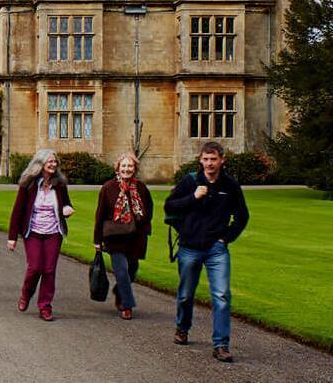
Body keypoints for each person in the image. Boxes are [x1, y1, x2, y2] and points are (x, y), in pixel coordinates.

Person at [165, 141, 249, 363]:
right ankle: (182, 327)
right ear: (200, 160)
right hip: (189, 246)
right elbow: (169, 206)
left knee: (221, 296)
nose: (209, 163)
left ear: (222, 160)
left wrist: (226, 238)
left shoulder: (230, 186)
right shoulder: (190, 181)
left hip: (216, 248)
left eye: (213, 159)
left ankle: (221, 345)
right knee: (186, 294)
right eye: (206, 159)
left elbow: (242, 216)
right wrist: (193, 197)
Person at [7, 149, 74, 321]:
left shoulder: (59, 184)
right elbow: (17, 211)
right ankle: (26, 294)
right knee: (35, 267)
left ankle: (45, 306)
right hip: (33, 232)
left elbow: (66, 204)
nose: (53, 164)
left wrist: (67, 209)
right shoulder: (28, 185)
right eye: (50, 161)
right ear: (40, 164)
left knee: (49, 270)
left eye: (55, 161)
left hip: (53, 232)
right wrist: (12, 237)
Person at [92, 151, 154, 320]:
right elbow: (100, 214)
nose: (127, 169)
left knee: (132, 271)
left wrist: (145, 227)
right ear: (118, 168)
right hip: (115, 237)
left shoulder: (141, 188)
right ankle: (127, 306)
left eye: (130, 166)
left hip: (136, 237)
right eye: (124, 166)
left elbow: (149, 210)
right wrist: (97, 240)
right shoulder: (108, 188)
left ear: (135, 169)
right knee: (121, 271)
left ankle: (120, 292)